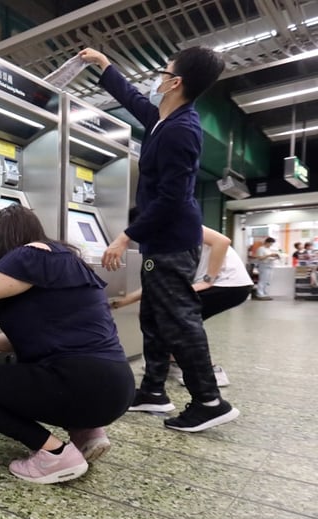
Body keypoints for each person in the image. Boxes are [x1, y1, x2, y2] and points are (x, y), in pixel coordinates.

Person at [0, 205, 134, 484]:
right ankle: (87, 432)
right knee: (35, 369)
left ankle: (54, 455)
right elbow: (43, 338)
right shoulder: (68, 261)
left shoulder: (29, 255)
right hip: (114, 388)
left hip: (80, 384)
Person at [79, 46, 239, 432]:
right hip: (161, 241)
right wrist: (105, 64)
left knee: (180, 320)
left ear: (175, 82)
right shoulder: (164, 119)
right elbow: (134, 99)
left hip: (170, 241)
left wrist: (125, 237)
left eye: (163, 72)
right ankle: (153, 392)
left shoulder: (182, 130)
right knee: (153, 318)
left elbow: (173, 198)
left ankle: (209, 401)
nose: (157, 78)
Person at [111, 226, 253, 396]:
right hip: (230, 285)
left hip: (227, 284)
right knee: (169, 320)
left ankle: (212, 373)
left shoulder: (181, 222)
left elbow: (222, 241)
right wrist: (119, 303)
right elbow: (159, 286)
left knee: (178, 324)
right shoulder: (166, 239)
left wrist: (209, 279)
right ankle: (172, 366)